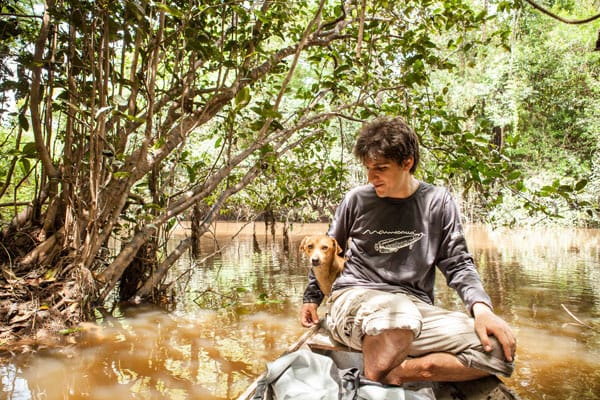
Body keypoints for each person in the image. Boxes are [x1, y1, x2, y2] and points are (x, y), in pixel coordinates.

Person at [300, 116, 516, 385]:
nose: (371, 177)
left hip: (415, 309)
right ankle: (384, 366)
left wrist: (482, 310)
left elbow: (459, 263)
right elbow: (328, 249)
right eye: (368, 168)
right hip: (357, 298)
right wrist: (312, 297)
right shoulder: (356, 199)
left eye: (381, 168)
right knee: (399, 315)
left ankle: (400, 373)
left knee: (499, 348)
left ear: (407, 163)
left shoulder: (437, 202)